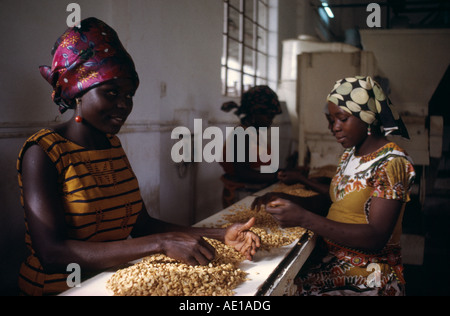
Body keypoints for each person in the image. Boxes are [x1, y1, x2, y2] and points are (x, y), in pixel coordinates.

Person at [17, 17, 260, 296]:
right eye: (111, 92)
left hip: (110, 284)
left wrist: (223, 235)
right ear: (78, 91)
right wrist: (161, 243)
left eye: (129, 95)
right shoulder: (43, 152)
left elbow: (142, 224)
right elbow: (51, 253)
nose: (124, 104)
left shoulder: (112, 146)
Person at [252, 76, 416, 296]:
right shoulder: (349, 154)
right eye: (331, 119)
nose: (334, 127)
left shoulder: (392, 163)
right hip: (331, 259)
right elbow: (335, 202)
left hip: (368, 274)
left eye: (342, 118)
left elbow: (376, 237)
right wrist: (288, 200)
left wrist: (304, 218)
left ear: (366, 117)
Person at [219, 86, 282, 207]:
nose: (271, 121)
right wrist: (277, 176)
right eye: (269, 116)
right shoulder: (241, 134)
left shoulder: (254, 133)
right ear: (255, 112)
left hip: (254, 193)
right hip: (241, 195)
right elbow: (243, 173)